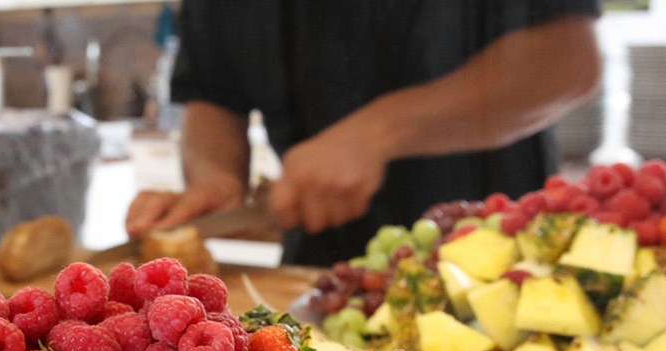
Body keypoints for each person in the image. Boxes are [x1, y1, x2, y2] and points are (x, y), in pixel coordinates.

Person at [125, 1, 603, 267]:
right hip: (316, 274)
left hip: (498, 265)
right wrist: (214, 178)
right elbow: (212, 94)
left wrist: (379, 131)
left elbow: (568, 62)